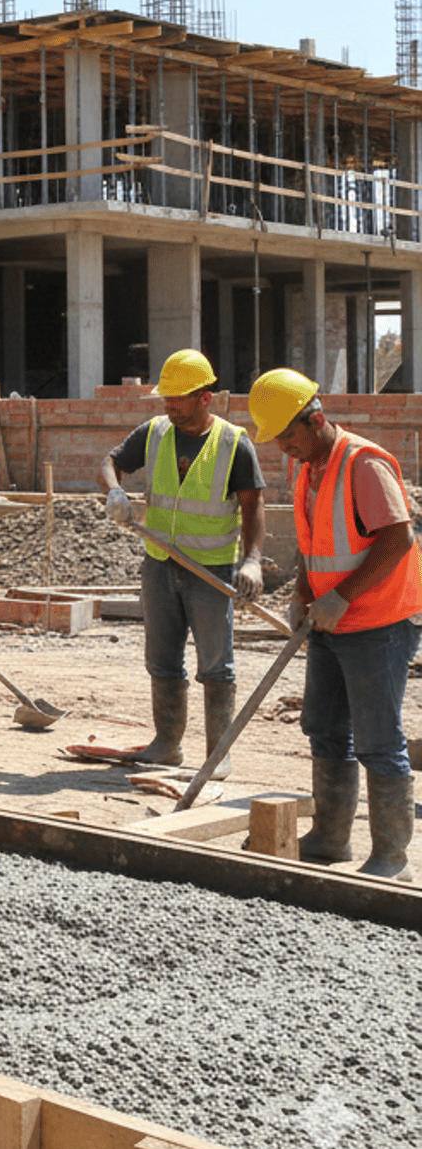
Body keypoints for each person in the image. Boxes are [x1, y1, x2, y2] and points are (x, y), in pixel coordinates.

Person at [250, 369, 416, 880]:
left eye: (289, 435)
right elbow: (313, 542)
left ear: (315, 418)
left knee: (377, 740)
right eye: (277, 438)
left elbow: (399, 539)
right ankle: (330, 839)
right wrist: (304, 594)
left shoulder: (362, 463)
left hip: (379, 622)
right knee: (324, 728)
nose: (284, 447)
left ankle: (392, 856)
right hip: (329, 622)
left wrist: (342, 596)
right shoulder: (308, 469)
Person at [100, 349, 266, 776]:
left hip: (209, 570)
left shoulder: (233, 443)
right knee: (162, 658)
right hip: (159, 562)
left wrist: (252, 561)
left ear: (205, 397)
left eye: (177, 398)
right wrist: (114, 491)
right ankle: (166, 745)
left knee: (216, 664)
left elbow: (252, 506)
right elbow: (110, 462)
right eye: (166, 397)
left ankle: (218, 753)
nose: (168, 405)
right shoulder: (155, 432)